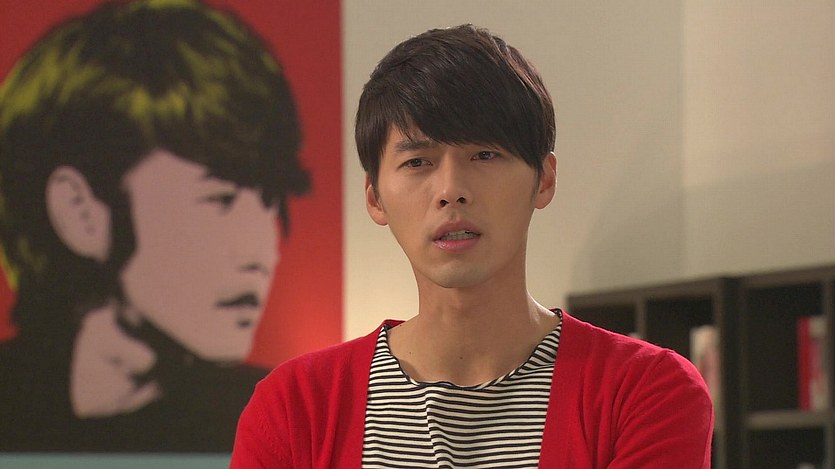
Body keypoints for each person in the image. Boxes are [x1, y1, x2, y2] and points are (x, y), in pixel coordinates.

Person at [231, 24, 713, 468]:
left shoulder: (645, 390)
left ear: (544, 180)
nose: (451, 190)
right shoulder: (295, 406)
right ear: (375, 197)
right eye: (418, 162)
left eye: (484, 154)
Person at [0, 0, 309, 452]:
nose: (262, 253)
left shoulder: (275, 418)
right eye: (220, 199)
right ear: (81, 212)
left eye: (269, 202)